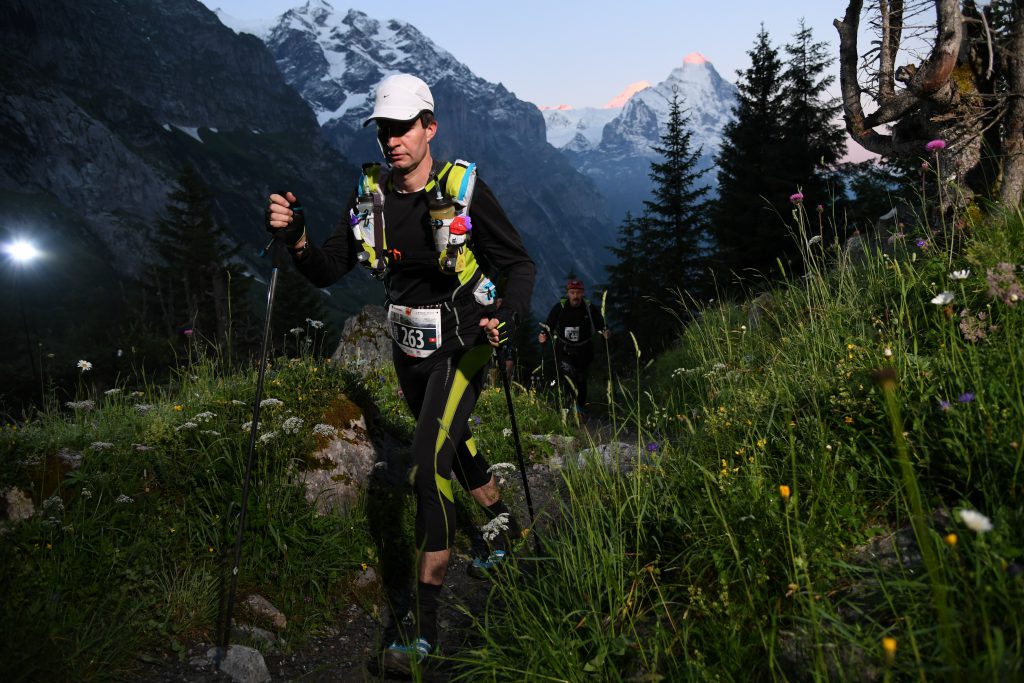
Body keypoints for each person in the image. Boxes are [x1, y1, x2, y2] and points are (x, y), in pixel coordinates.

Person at [265, 73, 535, 672]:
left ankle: (422, 626)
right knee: (449, 439)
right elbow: (329, 266)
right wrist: (298, 239)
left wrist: (507, 317)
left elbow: (518, 264)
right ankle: (503, 526)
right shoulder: (370, 193)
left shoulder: (463, 189)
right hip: (407, 347)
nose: (392, 140)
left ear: (429, 127)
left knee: (429, 462)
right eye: (384, 129)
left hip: (464, 342)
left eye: (403, 127)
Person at [538, 279, 608, 414]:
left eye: (578, 292)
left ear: (583, 293)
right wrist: (543, 335)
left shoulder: (589, 308)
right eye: (572, 292)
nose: (575, 296)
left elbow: (601, 324)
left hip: (584, 350)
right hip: (564, 349)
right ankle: (566, 407)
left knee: (581, 379)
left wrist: (605, 331)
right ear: (568, 293)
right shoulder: (560, 307)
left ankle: (580, 408)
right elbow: (549, 325)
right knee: (568, 377)